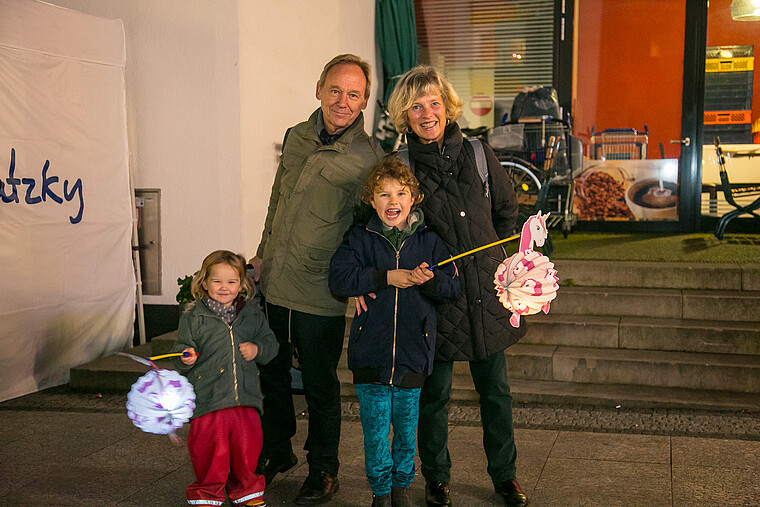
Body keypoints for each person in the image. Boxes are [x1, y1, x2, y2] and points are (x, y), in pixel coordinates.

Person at [385, 65, 529, 506]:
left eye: (434, 103)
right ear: (403, 115)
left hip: (487, 295)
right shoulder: (399, 167)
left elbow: (507, 214)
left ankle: (505, 477)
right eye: (415, 105)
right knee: (434, 397)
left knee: (496, 394)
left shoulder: (480, 154)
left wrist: (503, 263)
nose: (427, 113)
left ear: (447, 107)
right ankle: (437, 478)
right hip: (435, 299)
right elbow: (384, 230)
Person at [248, 54, 385, 505]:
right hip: (275, 282)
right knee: (270, 371)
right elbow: (277, 200)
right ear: (319, 89)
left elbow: (369, 230)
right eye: (335, 90)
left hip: (320, 290)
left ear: (365, 100)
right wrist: (262, 254)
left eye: (353, 94)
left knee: (321, 384)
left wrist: (362, 279)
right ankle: (278, 450)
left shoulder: (370, 160)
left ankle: (324, 468)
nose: (342, 102)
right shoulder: (296, 137)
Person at [329, 156, 460, 507]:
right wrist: (384, 277)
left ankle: (402, 487)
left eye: (401, 193)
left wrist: (431, 280)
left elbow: (452, 288)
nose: (393, 202)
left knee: (405, 431)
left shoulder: (430, 241)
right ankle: (381, 491)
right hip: (370, 356)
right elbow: (339, 277)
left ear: (413, 198)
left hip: (413, 355)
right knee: (375, 432)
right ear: (371, 201)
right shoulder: (361, 237)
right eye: (383, 195)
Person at [170, 250, 279, 507]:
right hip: (209, 400)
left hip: (245, 399)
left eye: (231, 282)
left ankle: (247, 493)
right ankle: (207, 495)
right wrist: (185, 357)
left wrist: (257, 350)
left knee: (247, 450)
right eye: (217, 281)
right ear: (204, 282)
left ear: (242, 284)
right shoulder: (193, 316)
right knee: (209, 452)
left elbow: (270, 345)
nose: (224, 288)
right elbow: (180, 351)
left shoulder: (252, 314)